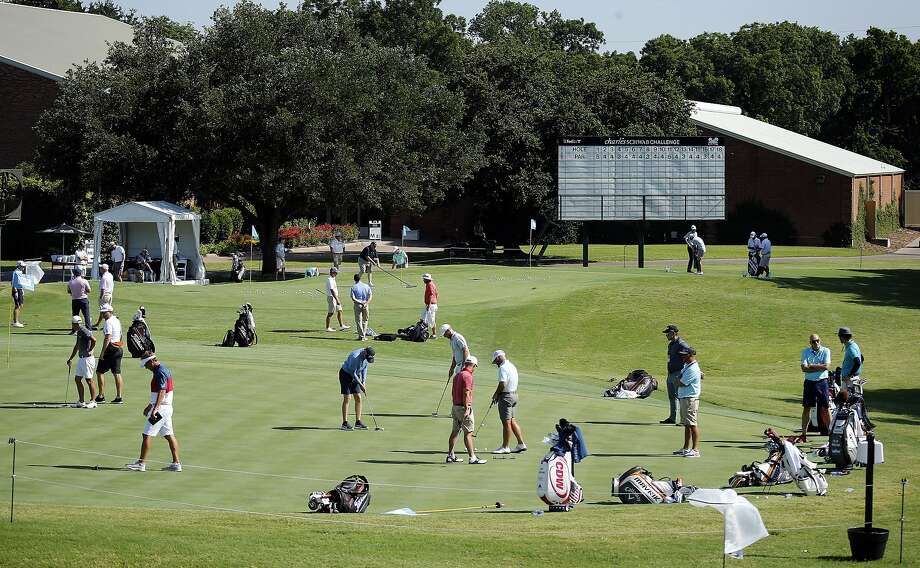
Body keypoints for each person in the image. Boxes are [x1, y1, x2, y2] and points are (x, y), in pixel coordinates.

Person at [126, 353, 181, 472]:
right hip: (166, 408)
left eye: (146, 364)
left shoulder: (160, 372)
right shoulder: (163, 369)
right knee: (169, 435)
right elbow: (159, 393)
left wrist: (155, 409)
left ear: (151, 362)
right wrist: (150, 405)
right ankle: (176, 464)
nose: (146, 367)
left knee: (147, 434)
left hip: (160, 410)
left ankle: (141, 463)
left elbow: (162, 391)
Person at [447, 356, 487, 465]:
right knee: (468, 433)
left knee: (455, 431)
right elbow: (466, 392)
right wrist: (467, 407)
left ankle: (450, 455)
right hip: (463, 408)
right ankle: (472, 458)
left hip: (455, 406)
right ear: (474, 365)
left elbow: (453, 392)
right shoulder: (468, 376)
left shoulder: (457, 375)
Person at [490, 350, 526, 454]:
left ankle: (505, 447)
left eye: (495, 361)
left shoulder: (503, 368)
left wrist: (496, 394)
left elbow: (503, 383)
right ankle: (521, 444)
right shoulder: (511, 366)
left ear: (498, 358)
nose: (496, 364)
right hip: (514, 395)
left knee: (506, 423)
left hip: (506, 396)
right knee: (512, 420)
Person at [799, 333, 831, 442]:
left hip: (822, 382)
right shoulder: (805, 352)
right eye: (813, 341)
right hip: (809, 383)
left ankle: (831, 434)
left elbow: (826, 366)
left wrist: (811, 366)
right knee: (806, 408)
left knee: (825, 408)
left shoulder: (826, 351)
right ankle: (803, 434)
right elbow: (804, 368)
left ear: (820, 340)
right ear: (810, 343)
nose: (816, 343)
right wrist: (819, 367)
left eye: (817, 340)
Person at [674, 346, 702, 457]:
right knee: (687, 424)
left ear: (690, 355)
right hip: (685, 398)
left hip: (690, 399)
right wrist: (678, 378)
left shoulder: (692, 368)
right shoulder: (687, 366)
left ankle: (695, 450)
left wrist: (678, 379)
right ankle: (686, 448)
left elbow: (681, 382)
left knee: (692, 424)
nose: (682, 357)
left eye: (684, 355)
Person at [338, 346, 375, 430]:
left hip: (356, 374)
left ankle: (358, 422)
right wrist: (361, 385)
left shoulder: (367, 356)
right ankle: (344, 423)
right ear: (365, 352)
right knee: (347, 398)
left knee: (358, 397)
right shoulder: (355, 356)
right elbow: (352, 373)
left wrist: (364, 381)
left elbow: (365, 367)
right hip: (346, 374)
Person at [95, 303, 125, 404]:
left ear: (110, 311)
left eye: (104, 312)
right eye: (102, 312)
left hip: (110, 349)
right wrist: (119, 345)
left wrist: (102, 352)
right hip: (118, 348)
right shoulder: (117, 320)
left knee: (99, 372)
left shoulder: (108, 322)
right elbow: (120, 335)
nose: (103, 314)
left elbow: (108, 337)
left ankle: (101, 396)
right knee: (117, 373)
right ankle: (119, 397)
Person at [660, 324, 690, 424]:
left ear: (673, 333)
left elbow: (690, 354)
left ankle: (683, 420)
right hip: (670, 373)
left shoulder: (681, 344)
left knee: (680, 396)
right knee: (672, 397)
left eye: (667, 333)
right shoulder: (671, 344)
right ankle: (672, 418)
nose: (666, 335)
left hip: (678, 373)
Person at [67, 315, 98, 408]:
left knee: (89, 380)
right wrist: (70, 358)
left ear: (75, 324)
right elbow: (77, 346)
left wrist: (90, 349)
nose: (72, 325)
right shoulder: (79, 332)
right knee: (77, 379)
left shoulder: (84, 330)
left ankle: (93, 401)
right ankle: (81, 401)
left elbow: (94, 340)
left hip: (87, 359)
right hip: (81, 359)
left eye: (72, 324)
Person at [324, 267, 350, 332]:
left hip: (335, 297)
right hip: (332, 297)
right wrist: (337, 299)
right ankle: (327, 328)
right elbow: (332, 290)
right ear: (332, 272)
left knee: (340, 310)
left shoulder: (333, 278)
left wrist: (337, 298)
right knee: (331, 313)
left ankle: (341, 326)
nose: (336, 274)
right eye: (335, 273)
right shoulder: (329, 279)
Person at [68, 267, 92, 333]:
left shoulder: (71, 282)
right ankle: (89, 329)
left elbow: (69, 291)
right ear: (80, 273)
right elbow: (89, 290)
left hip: (75, 300)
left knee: (75, 315)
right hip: (83, 299)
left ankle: (74, 330)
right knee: (86, 315)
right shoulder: (84, 281)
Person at [350, 273, 372, 340]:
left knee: (358, 321)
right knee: (365, 320)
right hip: (366, 304)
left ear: (354, 279)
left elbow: (353, 298)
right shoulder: (366, 286)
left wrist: (360, 302)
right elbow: (370, 296)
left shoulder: (353, 287)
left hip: (358, 304)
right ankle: (363, 335)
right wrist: (366, 303)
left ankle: (361, 336)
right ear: (360, 278)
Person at [92, 263, 114, 329]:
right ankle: (100, 324)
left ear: (103, 269)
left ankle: (100, 324)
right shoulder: (110, 275)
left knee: (104, 311)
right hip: (110, 295)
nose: (100, 269)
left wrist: (101, 297)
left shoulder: (104, 277)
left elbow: (103, 289)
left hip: (105, 295)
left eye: (101, 268)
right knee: (108, 311)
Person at [11, 260, 28, 328]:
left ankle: (16, 320)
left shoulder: (20, 272)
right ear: (18, 266)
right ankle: (16, 322)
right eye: (22, 266)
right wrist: (15, 292)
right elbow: (13, 283)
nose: (23, 267)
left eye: (24, 266)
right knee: (17, 305)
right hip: (16, 290)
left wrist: (22, 290)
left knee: (20, 305)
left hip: (20, 289)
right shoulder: (16, 272)